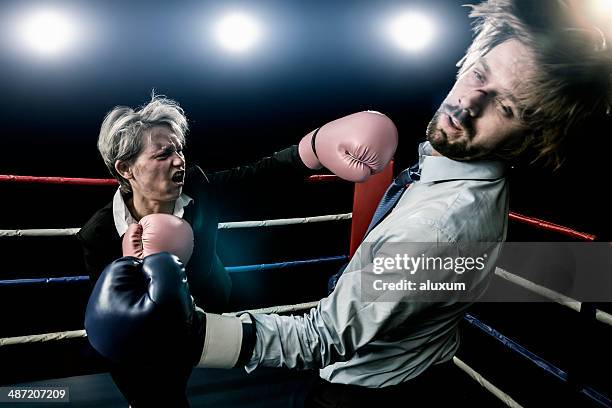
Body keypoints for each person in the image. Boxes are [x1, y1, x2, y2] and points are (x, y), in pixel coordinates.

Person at [85, 0, 612, 406]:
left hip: (363, 390)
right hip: (413, 362)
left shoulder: (440, 230)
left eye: (505, 106)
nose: (466, 104)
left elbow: (327, 337)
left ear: (538, 136)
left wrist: (193, 336)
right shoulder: (444, 179)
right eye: (479, 75)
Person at [78, 95, 398, 406]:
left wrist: (313, 148)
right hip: (152, 340)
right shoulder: (100, 233)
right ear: (126, 169)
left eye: (179, 149)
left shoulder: (198, 189)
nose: (178, 160)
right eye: (162, 154)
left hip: (211, 306)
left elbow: (258, 177)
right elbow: (108, 317)